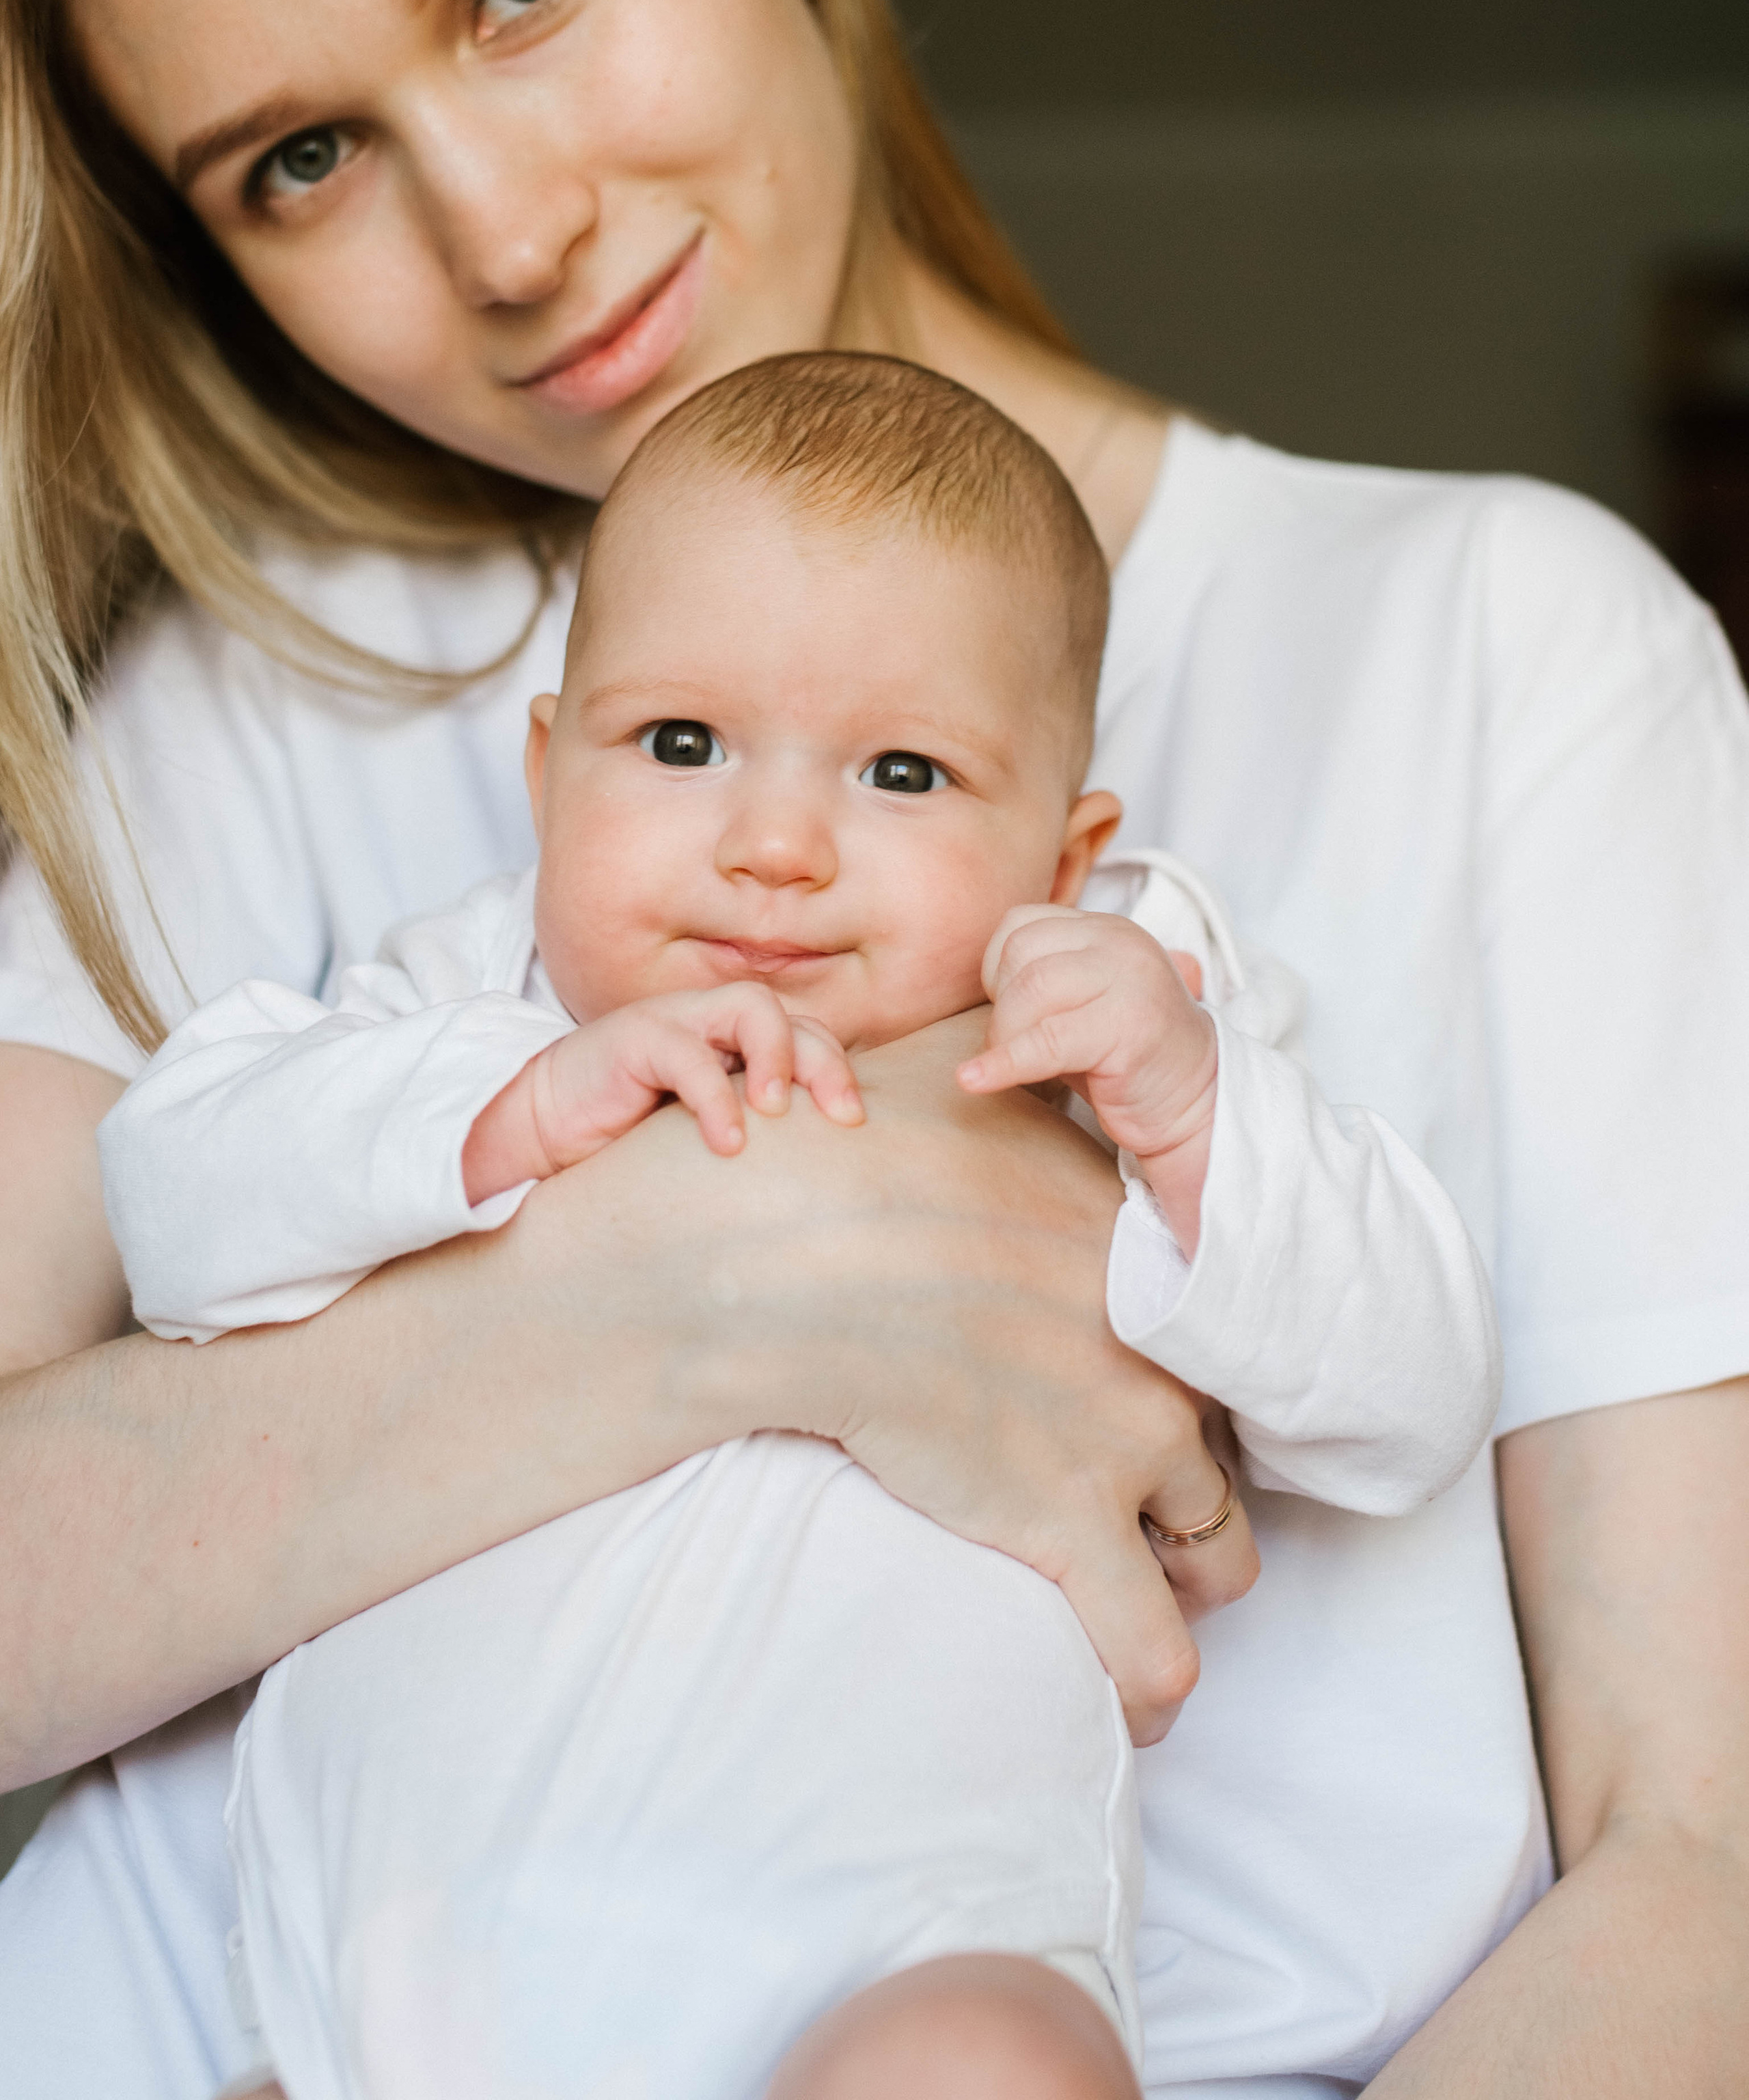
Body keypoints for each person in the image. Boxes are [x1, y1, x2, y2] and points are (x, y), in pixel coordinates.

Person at [0, 0, 1743, 2098]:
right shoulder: (255, 712)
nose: (505, 227)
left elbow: (1703, 1869)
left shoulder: (1502, 645)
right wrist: (744, 1272)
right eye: (301, 158)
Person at [98, 352, 1498, 2100]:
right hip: (412, 1978)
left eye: (902, 774)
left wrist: (1198, 1115)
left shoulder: (1099, 1039)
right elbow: (170, 1199)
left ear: (1063, 863)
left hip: (903, 1952)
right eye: (677, 744)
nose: (772, 843)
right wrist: (506, 1110)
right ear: (547, 775)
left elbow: (1410, 1399)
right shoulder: (464, 1007)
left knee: (988, 2065)